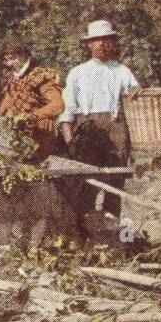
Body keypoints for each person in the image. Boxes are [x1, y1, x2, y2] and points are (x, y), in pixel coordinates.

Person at [58, 20, 139, 229]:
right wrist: (69, 139)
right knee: (86, 184)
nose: (101, 44)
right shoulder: (78, 72)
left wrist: (136, 92)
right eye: (96, 40)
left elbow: (138, 97)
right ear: (89, 44)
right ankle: (85, 234)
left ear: (112, 42)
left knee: (114, 184)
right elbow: (66, 108)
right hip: (87, 132)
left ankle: (112, 234)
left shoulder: (122, 71)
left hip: (116, 131)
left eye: (105, 39)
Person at [0, 40, 65, 161]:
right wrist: (8, 116)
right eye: (6, 60)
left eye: (13, 58)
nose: (10, 63)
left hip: (43, 132)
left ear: (25, 55)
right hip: (19, 134)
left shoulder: (39, 75)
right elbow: (5, 108)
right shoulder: (10, 79)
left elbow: (58, 104)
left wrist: (33, 117)